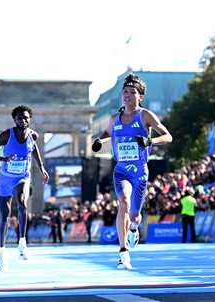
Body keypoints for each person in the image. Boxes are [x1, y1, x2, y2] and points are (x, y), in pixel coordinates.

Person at [91, 73, 172, 269]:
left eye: (132, 92)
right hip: (121, 171)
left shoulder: (145, 116)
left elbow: (168, 136)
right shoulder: (114, 118)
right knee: (123, 203)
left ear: (140, 97)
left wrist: (150, 140)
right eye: (124, 92)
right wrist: (99, 141)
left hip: (140, 173)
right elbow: (108, 132)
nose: (127, 95)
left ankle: (134, 228)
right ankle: (122, 252)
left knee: (134, 214)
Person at [0, 105, 49, 272]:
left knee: (22, 204)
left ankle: (22, 243)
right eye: (20, 118)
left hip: (22, 177)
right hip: (5, 179)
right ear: (15, 120)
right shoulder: (6, 135)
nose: (23, 120)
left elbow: (34, 149)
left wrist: (41, 167)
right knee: (5, 216)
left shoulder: (33, 135)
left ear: (30, 119)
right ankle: (1, 252)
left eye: (26, 118)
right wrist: (2, 158)